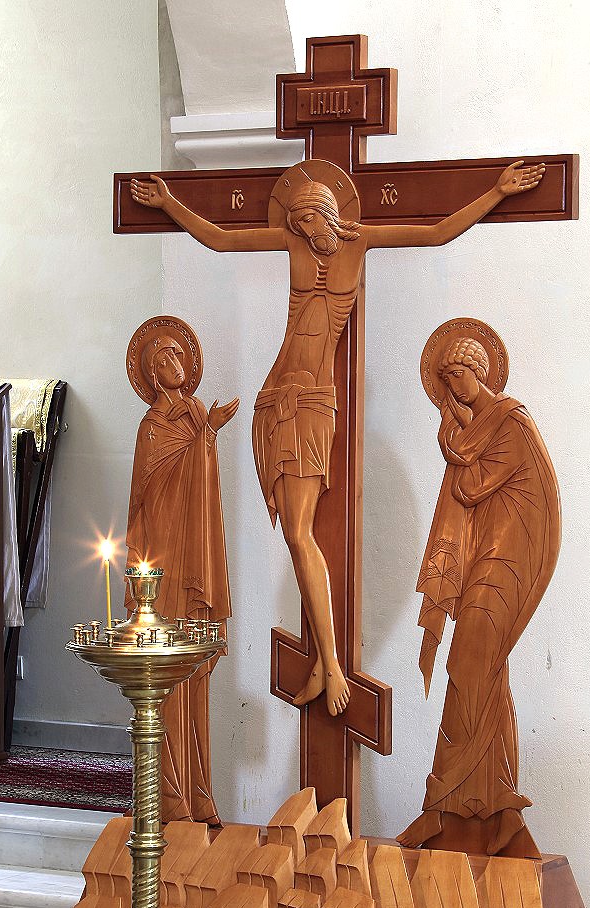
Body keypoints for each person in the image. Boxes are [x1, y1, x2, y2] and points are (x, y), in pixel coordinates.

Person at [131, 160, 545, 718]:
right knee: (295, 535)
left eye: (311, 219)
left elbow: (436, 231)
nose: (305, 230)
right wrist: (168, 205)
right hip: (275, 400)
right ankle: (324, 661)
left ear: (329, 212)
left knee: (301, 534)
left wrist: (496, 191)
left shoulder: (359, 241)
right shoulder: (292, 245)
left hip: (311, 404)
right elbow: (223, 239)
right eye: (297, 222)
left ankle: (330, 662)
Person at [398, 333, 561, 857]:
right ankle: (489, 812)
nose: (452, 387)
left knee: (470, 665)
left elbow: (470, 486)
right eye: (445, 380)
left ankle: (451, 805)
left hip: (506, 564)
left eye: (457, 376)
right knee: (482, 674)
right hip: (485, 561)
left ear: (478, 370)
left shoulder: (510, 424)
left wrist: (454, 432)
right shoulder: (474, 428)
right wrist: (457, 429)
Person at [125, 323, 238, 822]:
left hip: (195, 555)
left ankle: (198, 793)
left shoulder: (194, 413)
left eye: (177, 354)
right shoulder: (151, 427)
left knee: (194, 678)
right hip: (164, 559)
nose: (174, 363)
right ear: (153, 375)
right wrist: (204, 436)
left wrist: (208, 432)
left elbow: (204, 483)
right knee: (166, 678)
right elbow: (145, 496)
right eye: (164, 359)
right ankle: (168, 798)